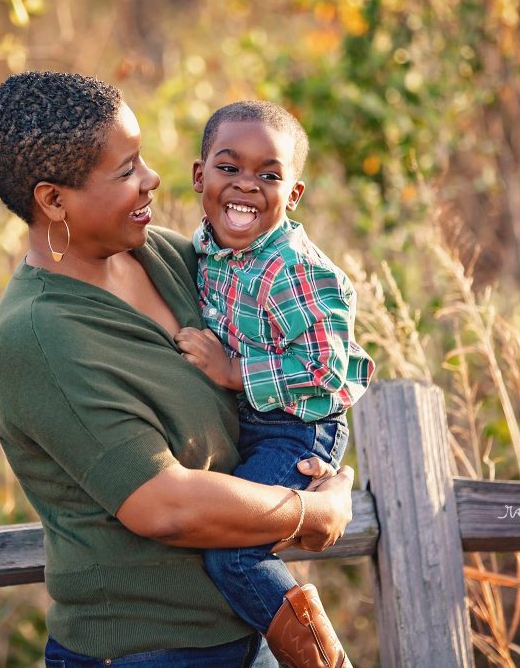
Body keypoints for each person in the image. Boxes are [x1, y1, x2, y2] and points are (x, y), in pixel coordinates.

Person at [0, 71, 357, 667]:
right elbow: (164, 505)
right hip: (146, 650)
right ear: (53, 200)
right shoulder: (38, 336)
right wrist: (312, 512)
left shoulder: (169, 255)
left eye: (142, 158)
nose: (153, 178)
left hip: (242, 638)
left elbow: (301, 340)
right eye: (126, 170)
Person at [174, 101, 375, 667]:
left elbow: (329, 370)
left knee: (234, 556)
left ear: (294, 193)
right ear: (199, 176)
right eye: (229, 167)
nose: (246, 186)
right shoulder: (207, 248)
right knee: (216, 539)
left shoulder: (294, 269)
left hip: (297, 429)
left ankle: (325, 663)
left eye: (269, 175)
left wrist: (235, 372)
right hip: (251, 424)